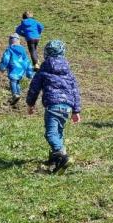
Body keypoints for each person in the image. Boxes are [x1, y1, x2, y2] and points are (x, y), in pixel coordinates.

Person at [26, 40, 82, 174]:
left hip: (53, 106)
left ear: (46, 54)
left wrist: (30, 103)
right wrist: (76, 110)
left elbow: (34, 88)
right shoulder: (68, 72)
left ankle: (61, 156)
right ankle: (55, 159)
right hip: (67, 107)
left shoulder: (43, 70)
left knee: (51, 133)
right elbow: (75, 91)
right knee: (59, 132)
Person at [0, 34, 35, 106]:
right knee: (17, 81)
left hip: (13, 66)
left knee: (13, 80)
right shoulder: (23, 50)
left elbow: (6, 59)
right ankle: (18, 94)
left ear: (10, 41)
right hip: (21, 68)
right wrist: (29, 73)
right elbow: (27, 61)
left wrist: (2, 67)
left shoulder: (9, 49)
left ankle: (15, 94)